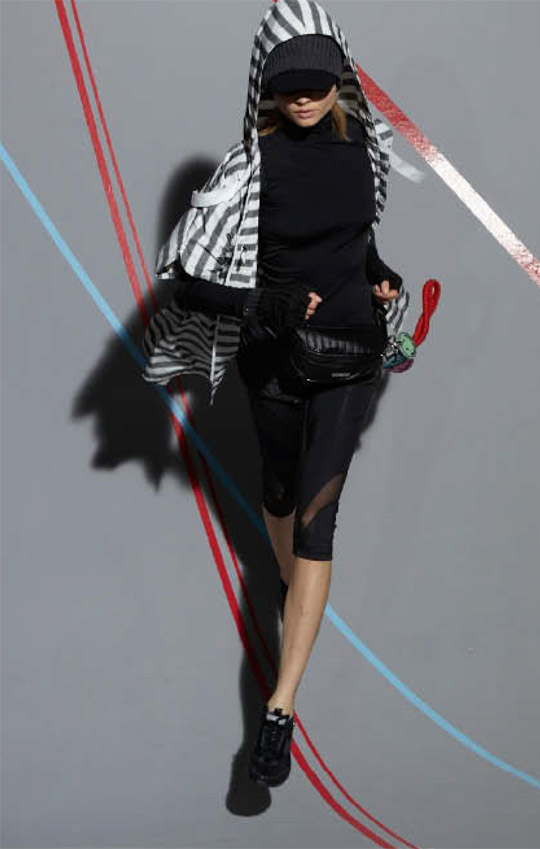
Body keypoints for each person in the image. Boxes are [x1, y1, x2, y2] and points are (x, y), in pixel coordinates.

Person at [141, 0, 425, 788]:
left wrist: (377, 272)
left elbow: (356, 237)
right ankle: (295, 594)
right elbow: (186, 280)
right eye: (288, 85)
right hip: (273, 358)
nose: (304, 98)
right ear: (265, 85)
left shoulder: (362, 150)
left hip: (351, 356)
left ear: (341, 80)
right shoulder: (250, 168)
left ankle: (279, 708)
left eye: (318, 83)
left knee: (316, 519)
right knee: (276, 491)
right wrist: (261, 305)